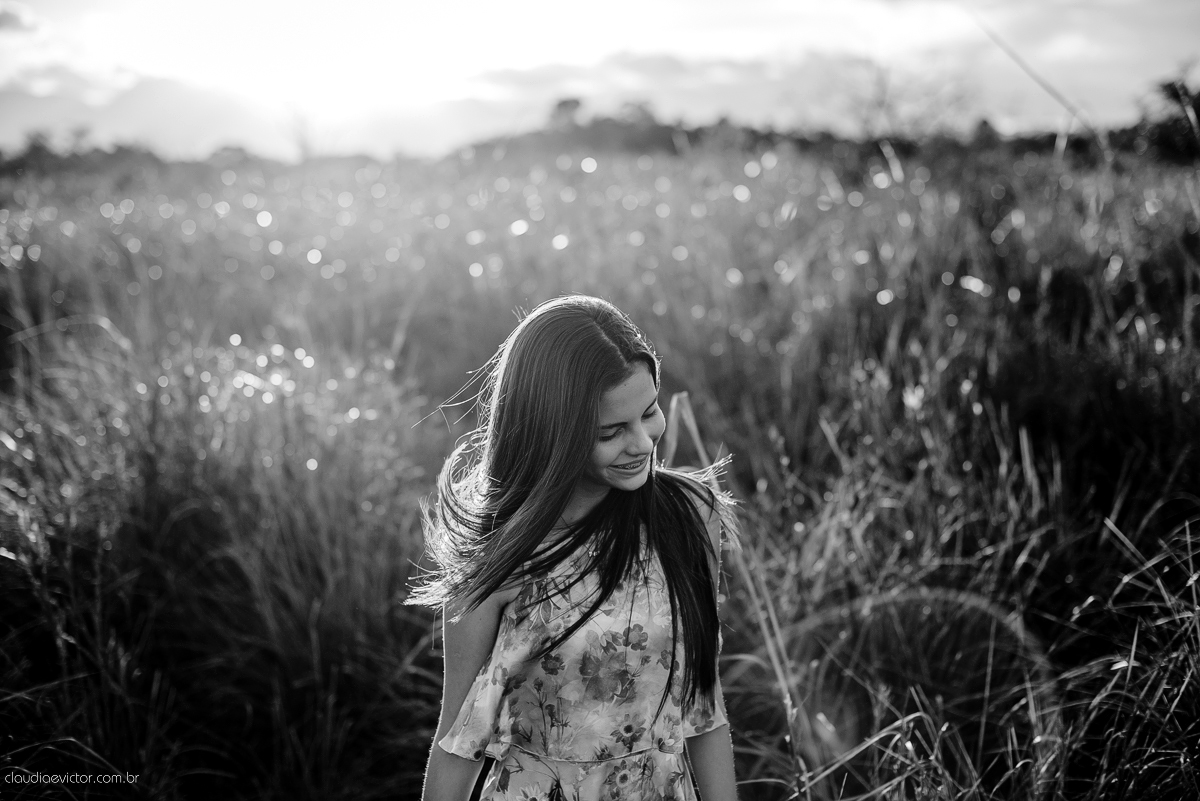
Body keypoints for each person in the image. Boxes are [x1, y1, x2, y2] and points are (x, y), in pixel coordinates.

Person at [408, 295, 740, 801]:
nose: (644, 444)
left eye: (649, 412)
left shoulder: (691, 513)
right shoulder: (502, 557)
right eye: (611, 432)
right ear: (554, 435)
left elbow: (704, 707)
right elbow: (458, 742)